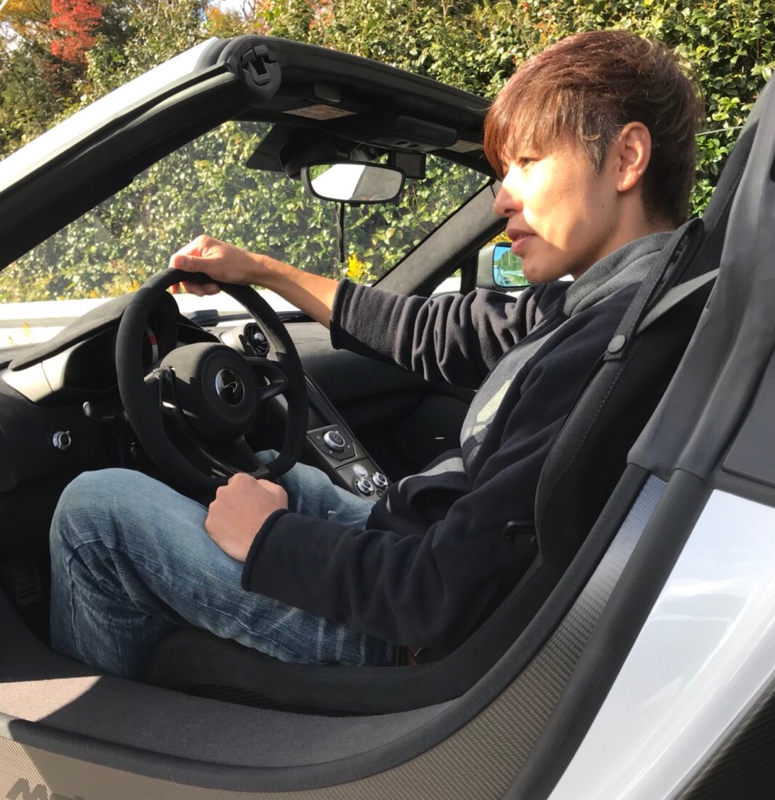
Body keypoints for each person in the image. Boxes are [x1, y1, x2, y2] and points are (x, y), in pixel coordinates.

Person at [50, 30, 702, 678]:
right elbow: (431, 330)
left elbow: (437, 595)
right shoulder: (616, 304)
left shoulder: (604, 352)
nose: (501, 197)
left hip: (401, 634)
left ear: (626, 158)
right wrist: (259, 271)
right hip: (416, 542)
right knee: (272, 474)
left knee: (95, 512)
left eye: (527, 163)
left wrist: (270, 539)